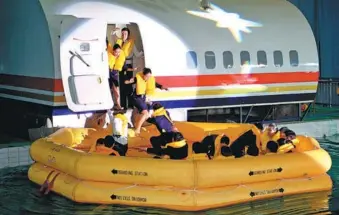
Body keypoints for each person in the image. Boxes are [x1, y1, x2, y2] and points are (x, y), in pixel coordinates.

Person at [125, 68, 168, 134]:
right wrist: (128, 81)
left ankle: (135, 124)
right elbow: (129, 81)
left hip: (143, 98)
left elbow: (155, 84)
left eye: (149, 76)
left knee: (145, 115)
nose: (148, 78)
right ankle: (138, 129)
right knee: (145, 113)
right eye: (147, 76)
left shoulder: (149, 79)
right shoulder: (138, 78)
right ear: (143, 75)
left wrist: (162, 87)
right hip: (137, 98)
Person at [115, 27, 144, 109]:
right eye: (123, 33)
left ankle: (131, 105)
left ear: (128, 35)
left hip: (128, 66)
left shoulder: (131, 43)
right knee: (121, 86)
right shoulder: (119, 42)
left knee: (129, 85)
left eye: (125, 34)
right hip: (120, 67)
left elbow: (137, 54)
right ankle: (123, 105)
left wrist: (144, 53)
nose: (124, 35)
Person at [107, 43, 126, 110]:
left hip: (115, 73)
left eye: (119, 52)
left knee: (117, 91)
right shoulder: (109, 55)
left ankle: (118, 105)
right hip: (108, 72)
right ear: (113, 51)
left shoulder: (121, 57)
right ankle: (109, 105)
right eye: (116, 52)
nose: (117, 53)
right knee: (109, 90)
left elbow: (124, 66)